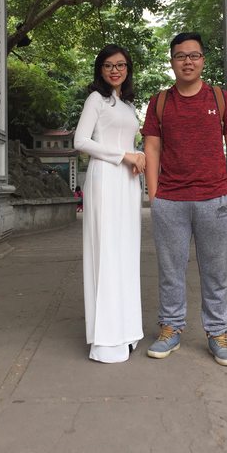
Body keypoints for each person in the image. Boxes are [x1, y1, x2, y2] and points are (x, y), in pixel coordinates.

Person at [141, 32, 227, 366]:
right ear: (172, 61)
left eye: (194, 55)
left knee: (216, 272)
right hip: (170, 201)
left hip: (215, 200)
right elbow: (152, 148)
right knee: (170, 270)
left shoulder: (220, 98)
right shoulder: (160, 102)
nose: (187, 61)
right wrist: (154, 195)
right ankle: (170, 328)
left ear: (203, 60)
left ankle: (218, 333)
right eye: (180, 56)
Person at [74, 44, 145, 363]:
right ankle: (106, 339)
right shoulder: (96, 99)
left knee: (126, 252)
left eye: (121, 65)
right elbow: (81, 141)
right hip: (105, 178)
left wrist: (137, 155)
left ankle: (126, 331)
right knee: (106, 252)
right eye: (108, 65)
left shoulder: (128, 105)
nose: (115, 70)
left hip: (127, 182)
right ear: (100, 70)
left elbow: (129, 143)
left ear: (128, 68)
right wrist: (123, 156)